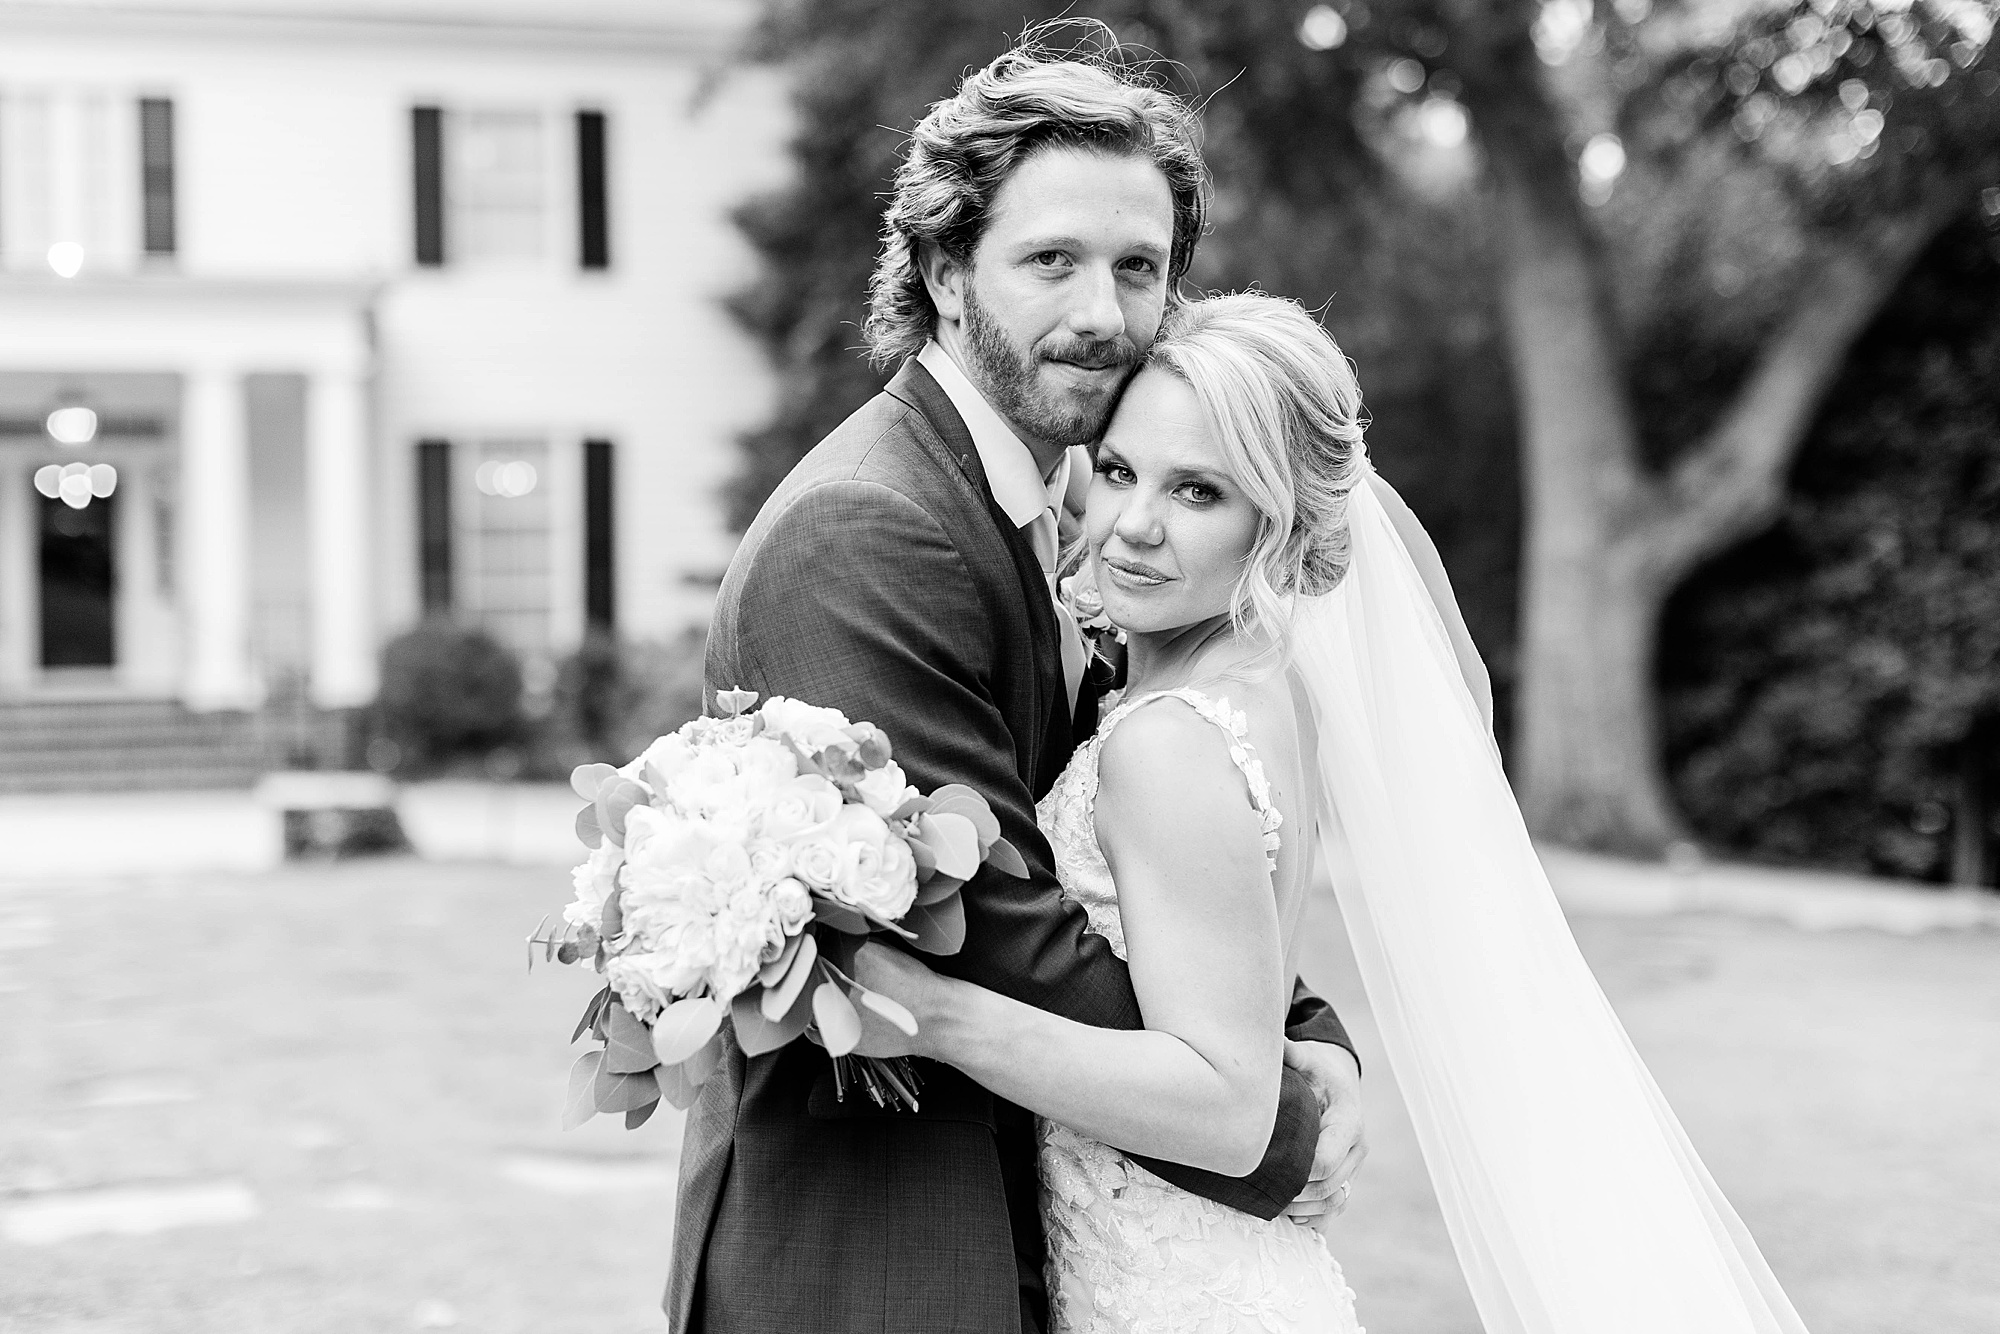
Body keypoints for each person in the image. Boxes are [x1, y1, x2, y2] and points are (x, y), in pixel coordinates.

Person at [852, 292, 1817, 1334]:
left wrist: (935, 1014)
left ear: (1277, 522)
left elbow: (1228, 1109)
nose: (1131, 525)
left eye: (1198, 492)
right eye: (1121, 471)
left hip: (1174, 1289)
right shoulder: (1260, 688)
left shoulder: (1168, 741)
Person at [670, 38, 1365, 1334]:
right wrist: (1279, 1120)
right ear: (944, 272)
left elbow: (1154, 870)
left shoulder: (1068, 510)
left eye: (1138, 267)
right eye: (1052, 260)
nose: (1103, 312)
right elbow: (1015, 936)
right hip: (883, 1265)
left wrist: (1309, 1027)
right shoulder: (865, 531)